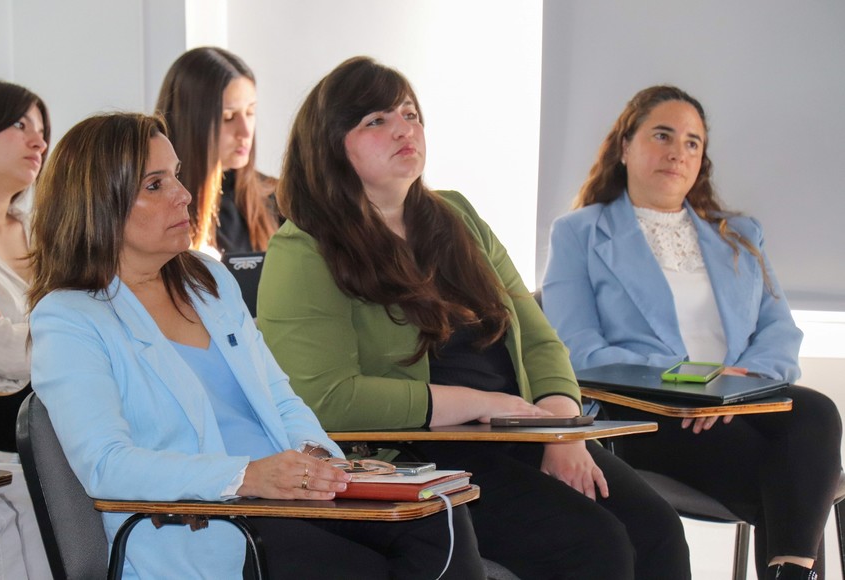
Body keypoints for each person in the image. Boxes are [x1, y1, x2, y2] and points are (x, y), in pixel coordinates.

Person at [257, 56, 690, 580]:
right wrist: (482, 404)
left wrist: (562, 429)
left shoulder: (455, 214)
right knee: (593, 545)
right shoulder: (304, 248)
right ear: (328, 144)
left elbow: (537, 337)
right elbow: (325, 399)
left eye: (410, 114)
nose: (403, 129)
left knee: (658, 531)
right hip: (418, 452)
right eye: (376, 120)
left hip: (520, 430)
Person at [27, 112, 484, 580]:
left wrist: (317, 457)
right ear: (98, 204)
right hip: (208, 522)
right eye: (155, 185)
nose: (184, 194)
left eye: (177, 176)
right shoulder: (69, 319)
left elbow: (280, 397)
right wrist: (247, 476)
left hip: (288, 499)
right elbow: (107, 464)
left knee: (440, 517)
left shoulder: (209, 282)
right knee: (360, 566)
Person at [542, 85, 842, 580]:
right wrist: (692, 385)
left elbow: (779, 332)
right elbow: (578, 350)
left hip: (742, 400)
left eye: (692, 143)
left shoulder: (739, 233)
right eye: (663, 135)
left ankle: (788, 573)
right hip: (649, 411)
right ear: (624, 146)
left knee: (816, 410)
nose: (677, 152)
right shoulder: (579, 232)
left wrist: (735, 387)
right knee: (786, 471)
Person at [0, 79, 51, 579]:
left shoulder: (41, 230)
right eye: (20, 125)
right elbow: (2, 352)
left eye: (43, 131)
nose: (39, 142)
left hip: (56, 436)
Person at [155, 46, 281, 255]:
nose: (245, 131)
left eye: (250, 112)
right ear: (190, 122)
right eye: (228, 117)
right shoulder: (157, 206)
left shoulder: (276, 198)